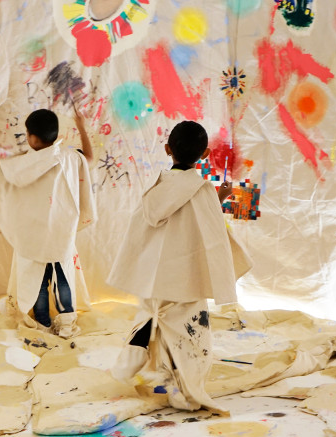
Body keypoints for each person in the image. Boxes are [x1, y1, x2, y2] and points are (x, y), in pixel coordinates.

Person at [107, 120, 251, 413]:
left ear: (167, 149)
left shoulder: (156, 188)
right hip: (186, 279)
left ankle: (136, 364)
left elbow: (143, 228)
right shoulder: (203, 190)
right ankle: (185, 390)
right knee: (190, 338)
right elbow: (212, 235)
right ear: (205, 154)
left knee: (151, 321)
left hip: (155, 278)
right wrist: (218, 197)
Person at [0, 106, 95, 338]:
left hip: (33, 236)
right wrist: (82, 128)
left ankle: (43, 322)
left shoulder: (24, 163)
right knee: (63, 277)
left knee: (38, 281)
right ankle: (66, 322)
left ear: (32, 137)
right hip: (61, 233)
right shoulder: (70, 157)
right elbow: (90, 159)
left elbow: (7, 171)